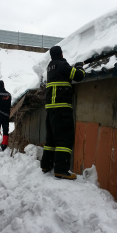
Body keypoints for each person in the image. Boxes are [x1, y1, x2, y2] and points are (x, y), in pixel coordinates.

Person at [40, 46, 85, 180]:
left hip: (50, 110)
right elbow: (79, 76)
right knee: (64, 139)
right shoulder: (62, 65)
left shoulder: (50, 67)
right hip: (62, 109)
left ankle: (46, 165)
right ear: (61, 54)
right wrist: (79, 67)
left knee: (51, 139)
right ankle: (61, 170)